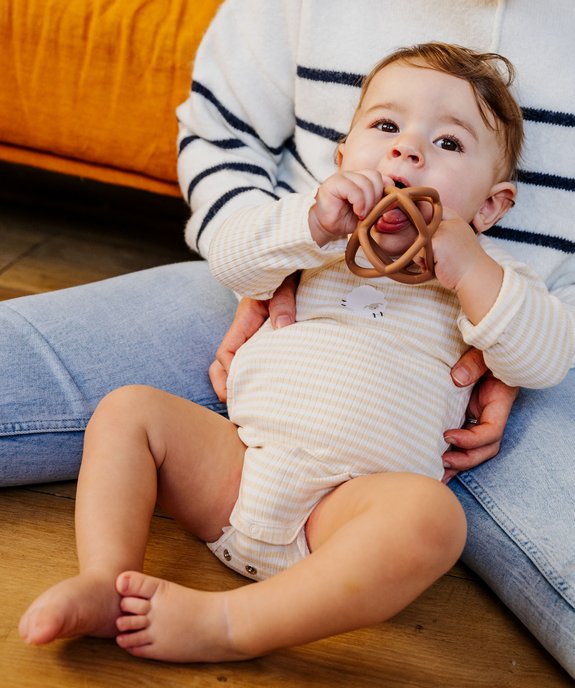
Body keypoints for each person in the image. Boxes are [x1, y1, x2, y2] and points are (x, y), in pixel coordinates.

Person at [2, 0, 574, 675]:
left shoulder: (492, 281)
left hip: (346, 511)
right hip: (239, 471)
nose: (408, 148)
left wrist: (475, 273)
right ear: (341, 156)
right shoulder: (313, 237)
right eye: (385, 126)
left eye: (448, 144)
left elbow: (543, 359)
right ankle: (107, 579)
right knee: (128, 410)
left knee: (429, 519)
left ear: (490, 206)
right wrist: (306, 222)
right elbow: (235, 261)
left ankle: (232, 624)